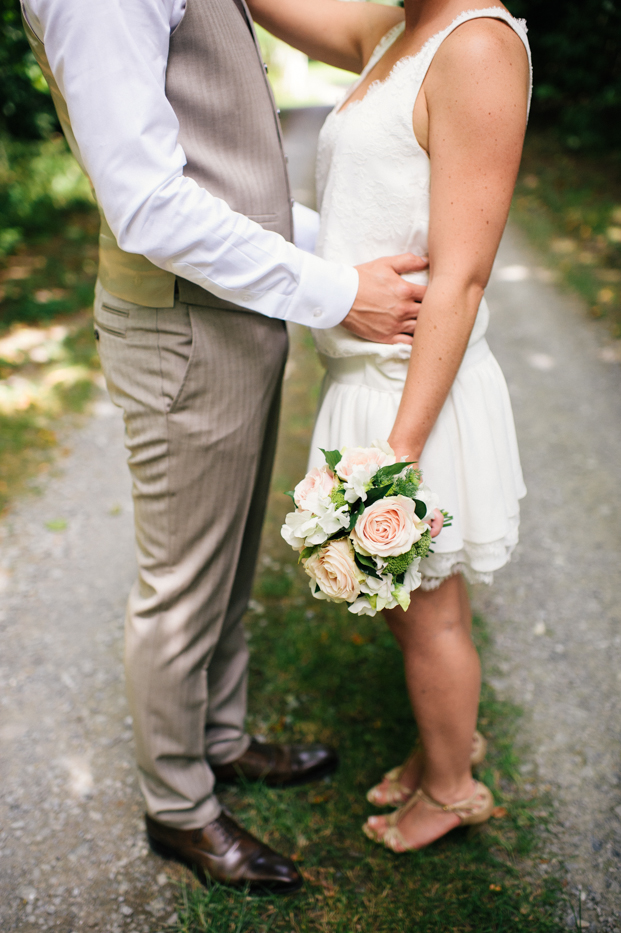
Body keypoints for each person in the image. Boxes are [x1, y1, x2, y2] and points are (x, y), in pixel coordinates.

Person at [20, 0, 430, 893]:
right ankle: (179, 808)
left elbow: (223, 170)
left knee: (229, 558)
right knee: (181, 584)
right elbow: (148, 206)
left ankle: (220, 739)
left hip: (232, 312)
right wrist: (332, 289)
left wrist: (342, 258)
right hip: (184, 326)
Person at [247, 0, 530, 850]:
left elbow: (461, 276)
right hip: (366, 378)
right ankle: (441, 742)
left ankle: (450, 787)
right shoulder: (390, 27)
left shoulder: (475, 45)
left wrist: (397, 454)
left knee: (428, 612)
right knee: (417, 608)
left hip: (415, 389)